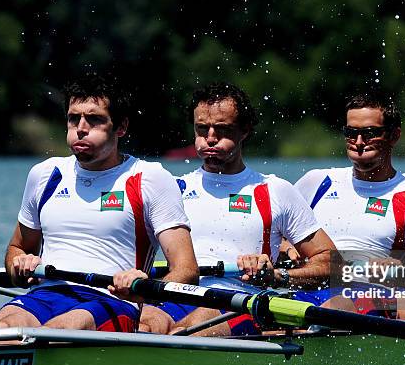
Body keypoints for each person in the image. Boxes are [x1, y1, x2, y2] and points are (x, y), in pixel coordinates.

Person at [0, 74, 199, 334]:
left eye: (95, 119)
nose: (81, 127)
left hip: (112, 301)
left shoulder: (149, 178)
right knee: (2, 328)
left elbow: (187, 270)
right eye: (73, 118)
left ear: (120, 127)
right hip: (45, 294)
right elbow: (17, 247)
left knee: (62, 329)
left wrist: (144, 288)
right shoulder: (45, 175)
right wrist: (18, 264)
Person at [139, 82, 339, 336]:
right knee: (144, 324)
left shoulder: (275, 190)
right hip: (179, 294)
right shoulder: (172, 188)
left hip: (244, 301)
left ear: (245, 130)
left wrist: (279, 276)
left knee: (190, 328)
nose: (210, 138)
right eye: (202, 129)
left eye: (222, 130)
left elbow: (331, 264)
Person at [293, 91, 405, 320]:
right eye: (351, 133)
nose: (359, 143)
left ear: (394, 135)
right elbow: (278, 240)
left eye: (369, 134)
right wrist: (287, 251)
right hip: (308, 289)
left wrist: (403, 273)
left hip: (370, 293)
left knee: (332, 309)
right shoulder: (317, 182)